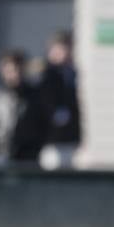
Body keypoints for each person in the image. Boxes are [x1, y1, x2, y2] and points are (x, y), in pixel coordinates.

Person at [0, 50, 46, 167]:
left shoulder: (34, 95)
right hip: (0, 154)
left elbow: (42, 124)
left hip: (28, 157)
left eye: (18, 70)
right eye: (9, 70)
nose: (14, 74)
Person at [37, 30, 82, 169]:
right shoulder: (46, 75)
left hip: (70, 138)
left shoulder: (71, 74)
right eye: (63, 48)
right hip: (51, 140)